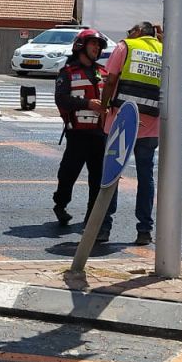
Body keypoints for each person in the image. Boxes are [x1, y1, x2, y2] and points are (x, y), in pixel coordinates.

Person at [99, 21, 163, 246]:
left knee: (111, 174)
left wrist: (103, 106)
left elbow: (111, 80)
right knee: (146, 177)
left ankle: (103, 227)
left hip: (121, 121)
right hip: (151, 124)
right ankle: (144, 230)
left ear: (138, 32)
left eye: (131, 31)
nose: (128, 34)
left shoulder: (126, 46)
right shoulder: (165, 51)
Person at [52, 28, 108, 229]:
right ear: (81, 47)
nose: (96, 48)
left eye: (99, 45)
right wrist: (87, 104)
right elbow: (61, 99)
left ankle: (92, 218)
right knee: (68, 172)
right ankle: (60, 204)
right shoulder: (67, 73)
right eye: (93, 44)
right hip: (77, 134)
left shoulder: (103, 72)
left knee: (98, 178)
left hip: (100, 134)